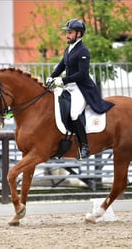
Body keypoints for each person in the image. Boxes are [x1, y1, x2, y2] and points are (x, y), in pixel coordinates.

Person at [46, 19, 114, 159]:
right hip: (69, 87)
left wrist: (62, 80)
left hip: (81, 89)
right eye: (67, 32)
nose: (67, 35)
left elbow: (82, 74)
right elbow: (61, 66)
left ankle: (85, 147)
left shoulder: (83, 51)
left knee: (74, 114)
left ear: (78, 34)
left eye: (70, 32)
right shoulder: (69, 49)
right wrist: (52, 76)